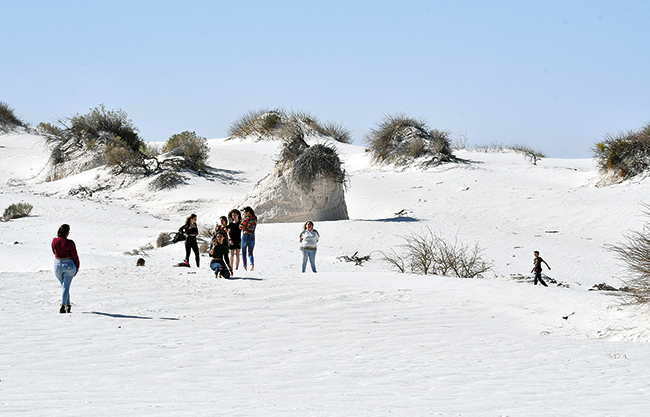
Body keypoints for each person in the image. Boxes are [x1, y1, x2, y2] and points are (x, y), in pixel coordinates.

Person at [51, 224, 80, 313]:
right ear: (67, 232)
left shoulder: (54, 241)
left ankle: (68, 305)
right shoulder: (70, 243)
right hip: (68, 264)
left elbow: (53, 251)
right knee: (66, 286)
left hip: (57, 264)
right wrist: (77, 266)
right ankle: (63, 305)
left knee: (64, 286)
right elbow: (74, 255)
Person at [240, 206, 257, 271]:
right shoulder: (255, 218)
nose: (244, 214)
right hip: (252, 236)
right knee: (250, 252)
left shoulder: (246, 220)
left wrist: (242, 222)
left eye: (245, 212)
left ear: (248, 212)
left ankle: (245, 265)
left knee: (244, 252)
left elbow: (241, 227)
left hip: (245, 236)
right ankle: (252, 263)